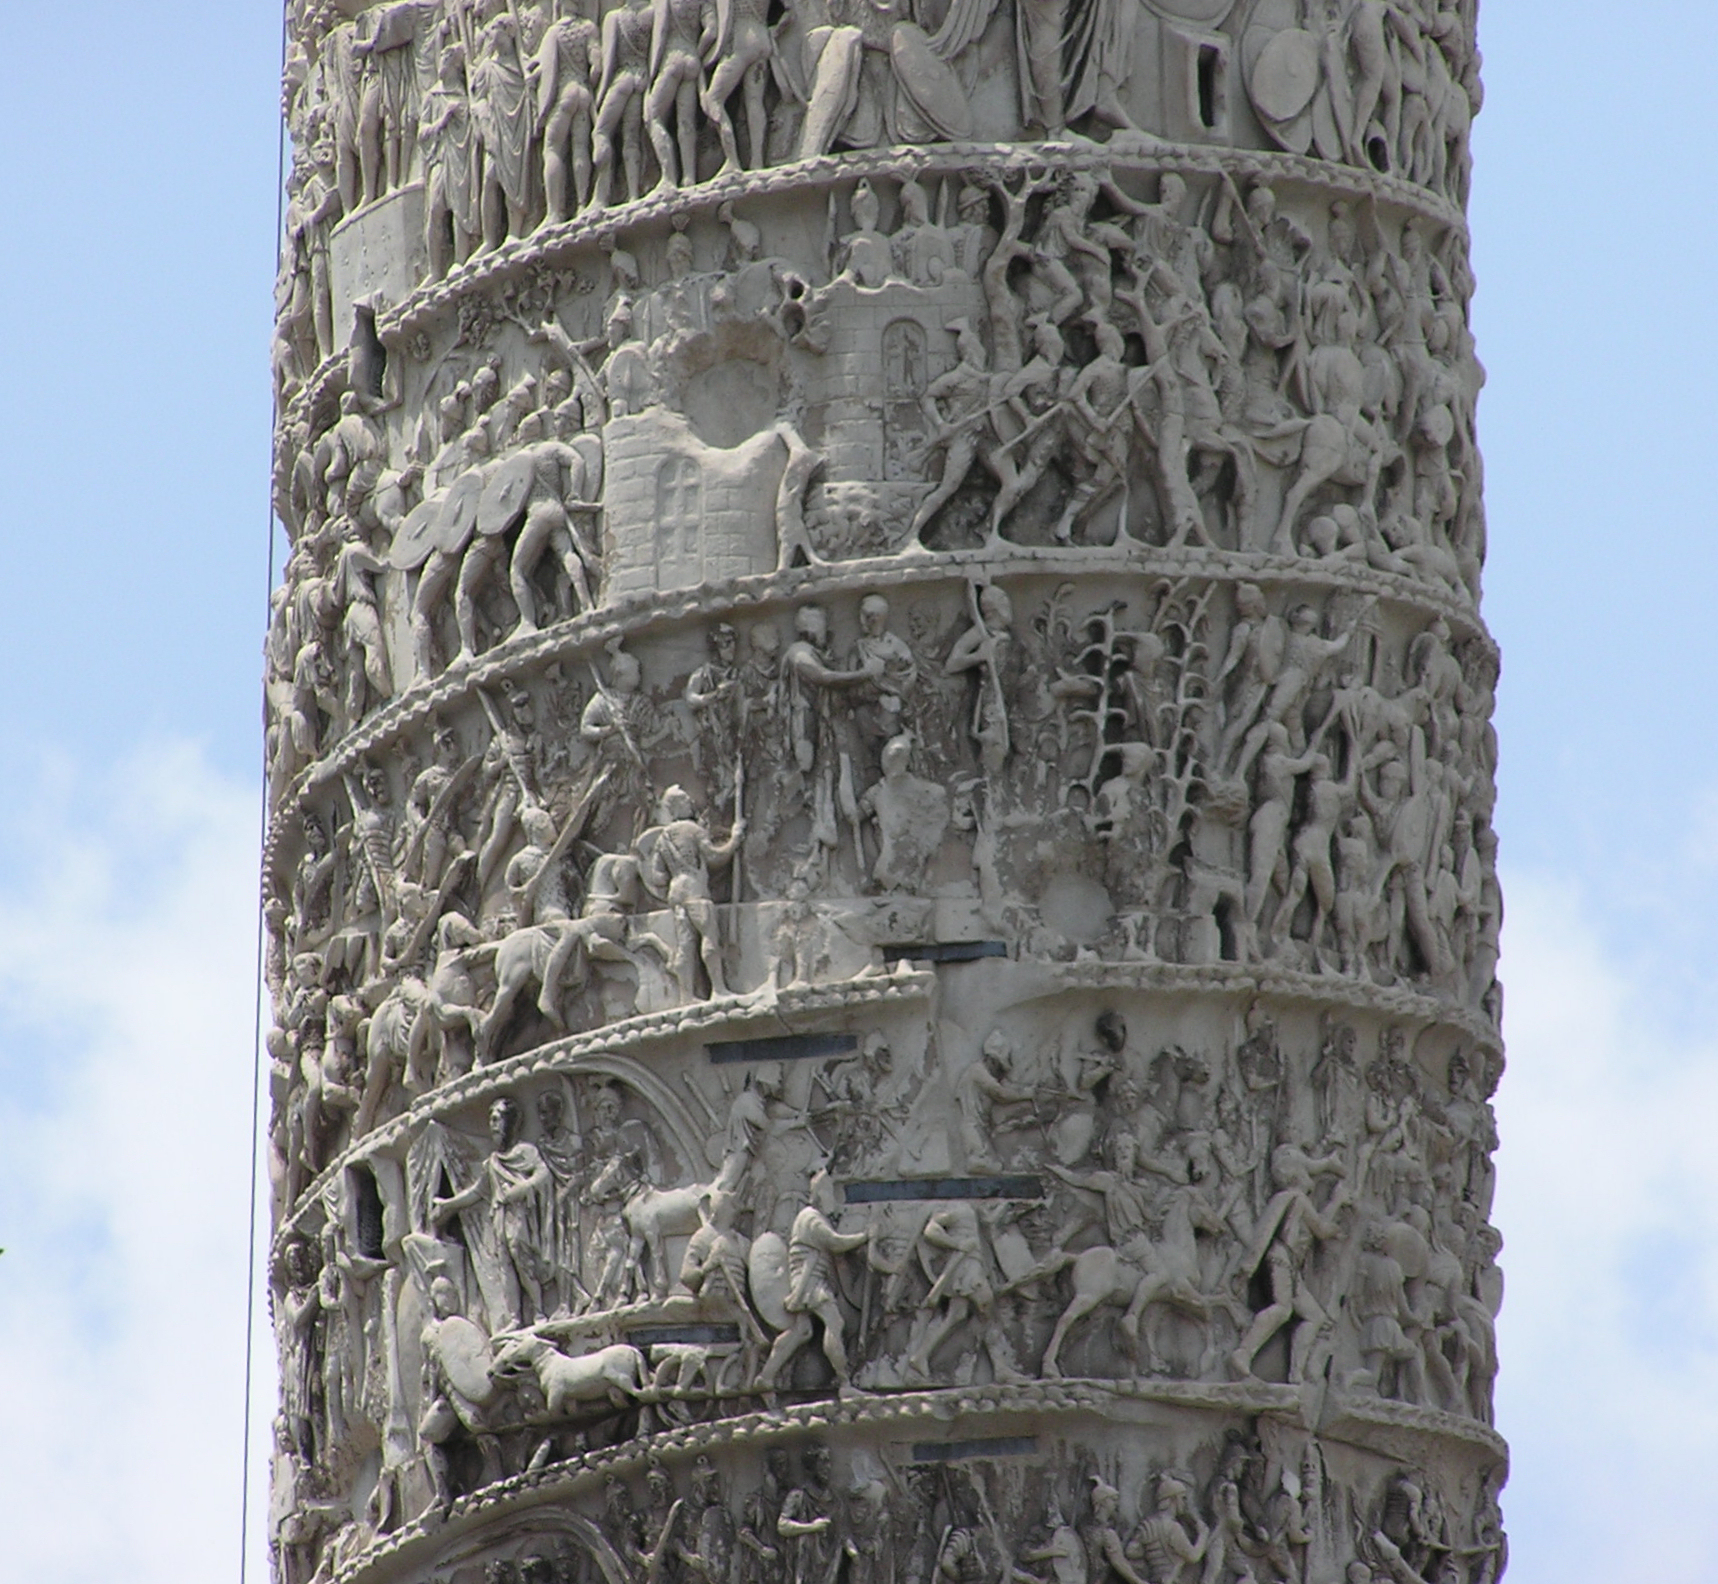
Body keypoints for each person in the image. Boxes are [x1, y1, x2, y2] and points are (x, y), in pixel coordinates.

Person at [755, 1171, 870, 1394]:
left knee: (802, 1330)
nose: (832, 1199)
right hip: (810, 1283)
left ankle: (766, 1376)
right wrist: (864, 1237)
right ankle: (845, 1383)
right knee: (835, 1323)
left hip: (808, 1281)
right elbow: (835, 1243)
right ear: (820, 1193)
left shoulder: (809, 1217)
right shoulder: (812, 1218)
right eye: (829, 1193)